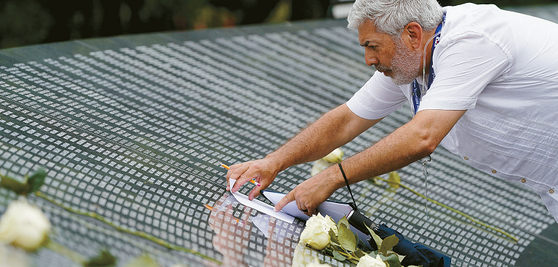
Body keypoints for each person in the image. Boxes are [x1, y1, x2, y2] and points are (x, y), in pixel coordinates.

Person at [226, 0, 558, 223]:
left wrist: (331, 179)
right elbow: (347, 120)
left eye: (373, 46)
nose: (369, 60)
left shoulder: (471, 41)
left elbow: (422, 136)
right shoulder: (411, 58)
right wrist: (273, 162)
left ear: (412, 34)